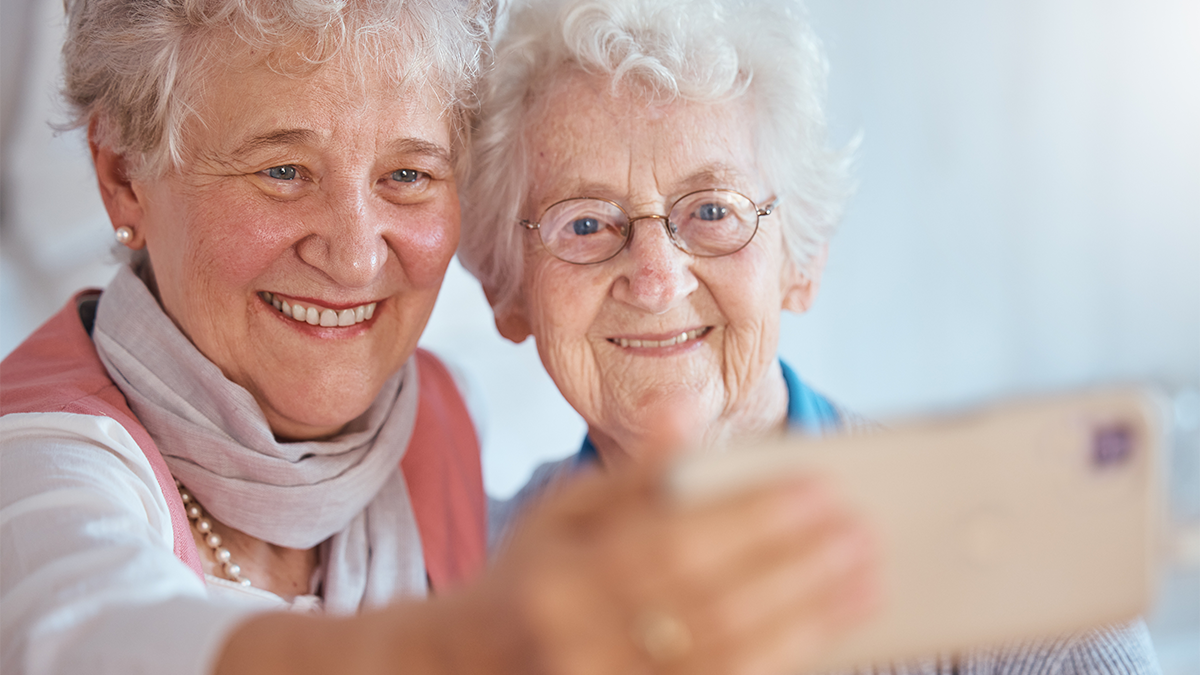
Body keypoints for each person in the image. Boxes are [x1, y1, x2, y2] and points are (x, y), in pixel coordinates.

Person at [0, 1, 878, 673]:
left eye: (408, 173)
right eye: (281, 170)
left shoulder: (438, 431)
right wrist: (474, 637)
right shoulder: (39, 458)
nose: (351, 254)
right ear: (122, 179)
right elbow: (91, 632)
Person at [459, 0, 1163, 672]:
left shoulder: (1019, 562)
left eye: (712, 209)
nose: (655, 278)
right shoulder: (469, 577)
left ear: (802, 260)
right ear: (506, 289)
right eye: (584, 223)